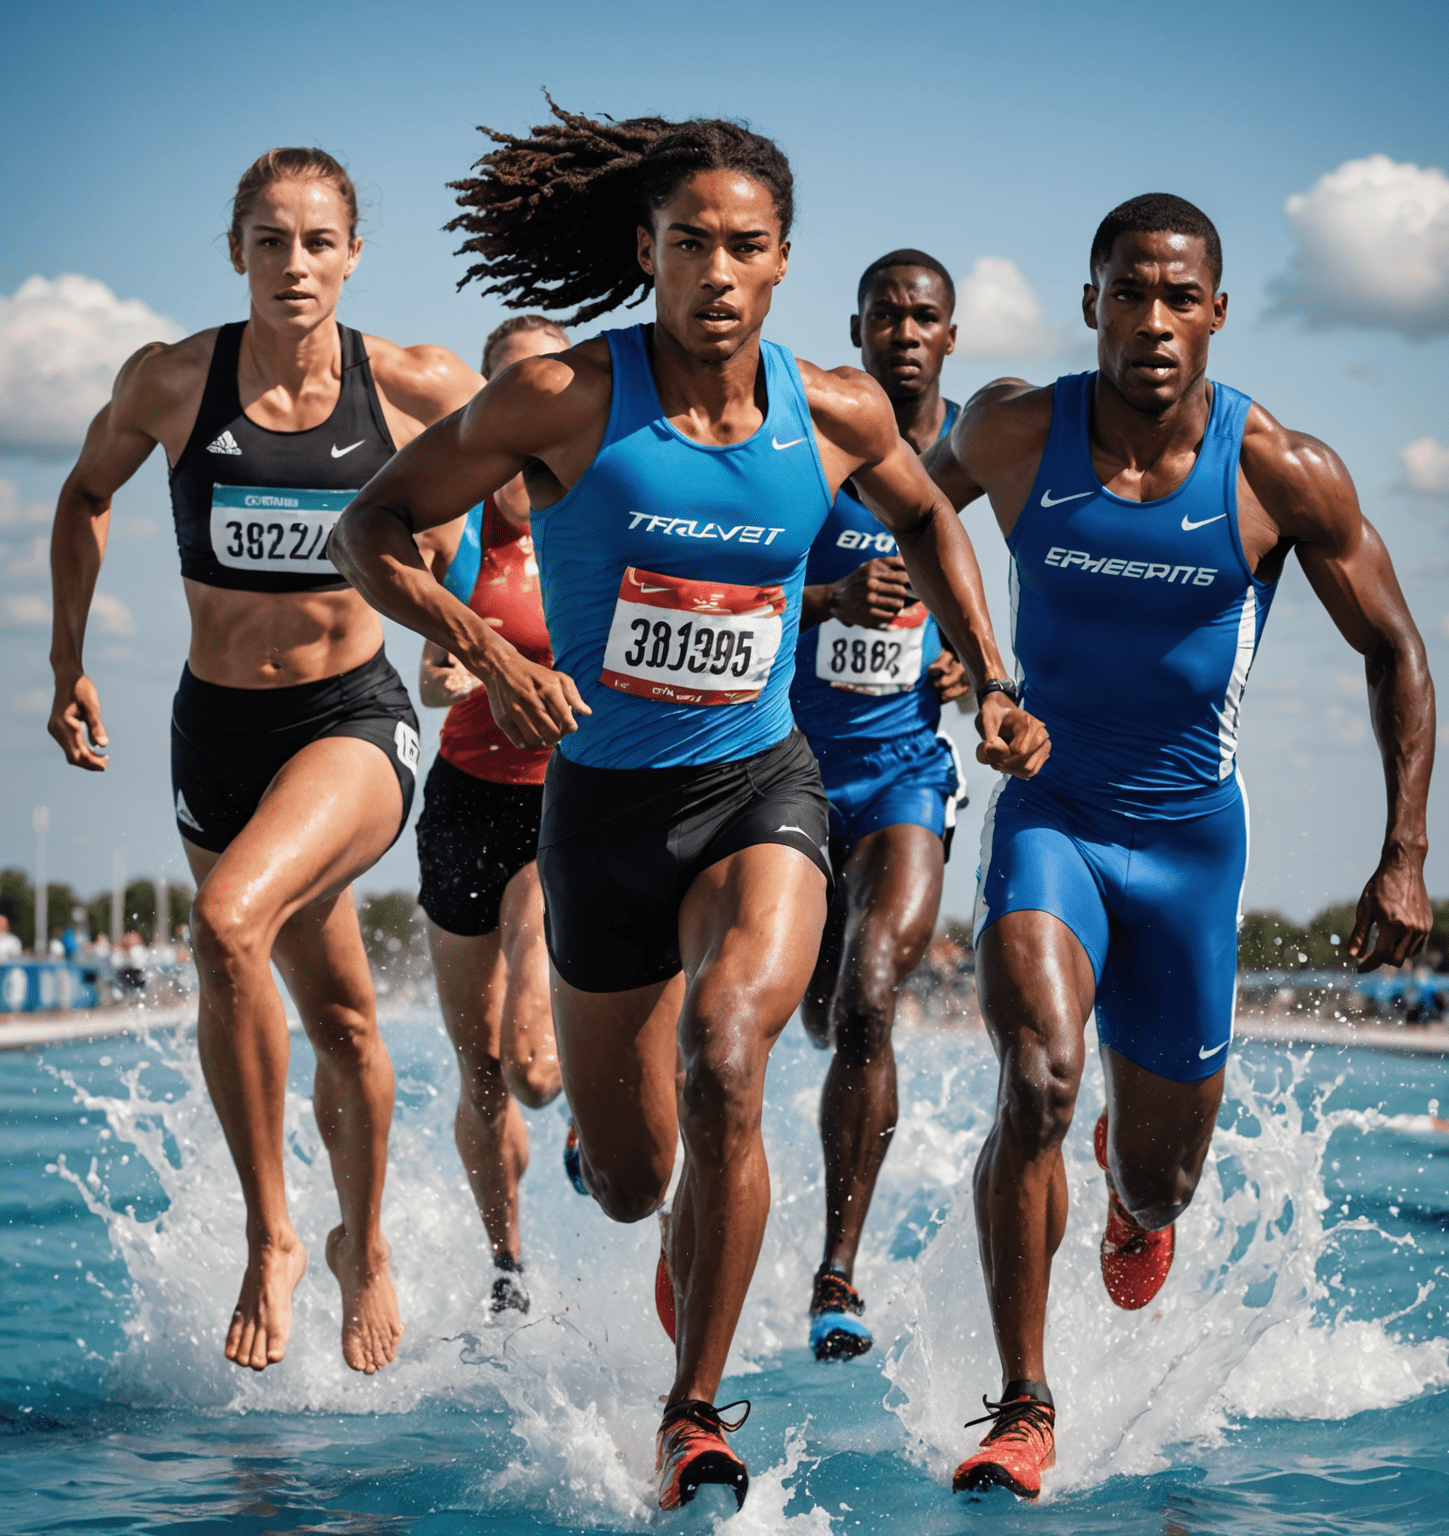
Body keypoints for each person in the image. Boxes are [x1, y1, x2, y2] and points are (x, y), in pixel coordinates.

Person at [331, 104, 1048, 1512]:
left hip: (758, 784)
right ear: (645, 255)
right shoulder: (566, 399)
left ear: (784, 264)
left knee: (733, 1054)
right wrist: (490, 654)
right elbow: (369, 529)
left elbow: (932, 519)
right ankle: (620, 1151)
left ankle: (694, 1412)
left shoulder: (832, 410)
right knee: (627, 1181)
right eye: (688, 244)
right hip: (601, 810)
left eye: (747, 246)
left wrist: (995, 682)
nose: (718, 272)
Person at [925, 193, 1435, 1498]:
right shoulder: (1014, 429)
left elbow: (1394, 650)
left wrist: (1405, 854)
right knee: (1036, 1074)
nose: (1152, 321)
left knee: (1161, 1192)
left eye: (1178, 296)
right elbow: (903, 516)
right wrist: (968, 663)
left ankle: (1124, 1179)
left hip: (1191, 854)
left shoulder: (1280, 469)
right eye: (1127, 293)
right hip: (1052, 820)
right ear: (1090, 304)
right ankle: (1023, 1407)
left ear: (1215, 310)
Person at [47, 147, 483, 1375]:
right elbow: (84, 494)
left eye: (318, 241)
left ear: (353, 253)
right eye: (270, 240)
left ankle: (275, 1240)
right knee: (342, 1015)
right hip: (214, 735)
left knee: (228, 920)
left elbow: (478, 521)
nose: (295, 265)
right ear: (235, 250)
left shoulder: (413, 385)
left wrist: (455, 637)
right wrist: (67, 660)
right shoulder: (174, 382)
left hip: (352, 722)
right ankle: (368, 1245)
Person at [790, 249, 970, 1361]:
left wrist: (969, 666)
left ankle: (836, 1274)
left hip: (905, 772)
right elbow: (745, 593)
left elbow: (989, 597)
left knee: (868, 998)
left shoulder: (967, 459)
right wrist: (835, 598)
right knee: (800, 1014)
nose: (905, 333)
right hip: (789, 776)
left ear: (951, 334)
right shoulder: (808, 447)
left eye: (925, 318)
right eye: (886, 317)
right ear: (856, 330)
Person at [414, 313, 571, 1314]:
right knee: (480, 1073)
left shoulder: (595, 513)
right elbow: (431, 677)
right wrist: (476, 670)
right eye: (507, 384)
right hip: (464, 803)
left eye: (543, 381)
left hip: (563, 806)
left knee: (533, 1065)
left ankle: (598, 1130)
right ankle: (508, 1263)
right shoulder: (457, 526)